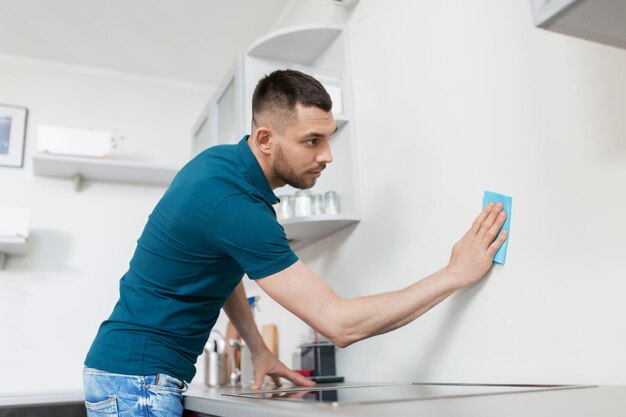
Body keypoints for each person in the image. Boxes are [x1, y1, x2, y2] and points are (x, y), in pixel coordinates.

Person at [83, 69, 508, 417]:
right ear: (266, 139)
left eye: (328, 137)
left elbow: (220, 271)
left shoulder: (221, 169)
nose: (327, 155)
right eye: (312, 141)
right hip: (137, 383)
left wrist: (259, 348)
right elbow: (340, 325)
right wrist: (454, 274)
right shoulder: (236, 204)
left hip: (128, 374)